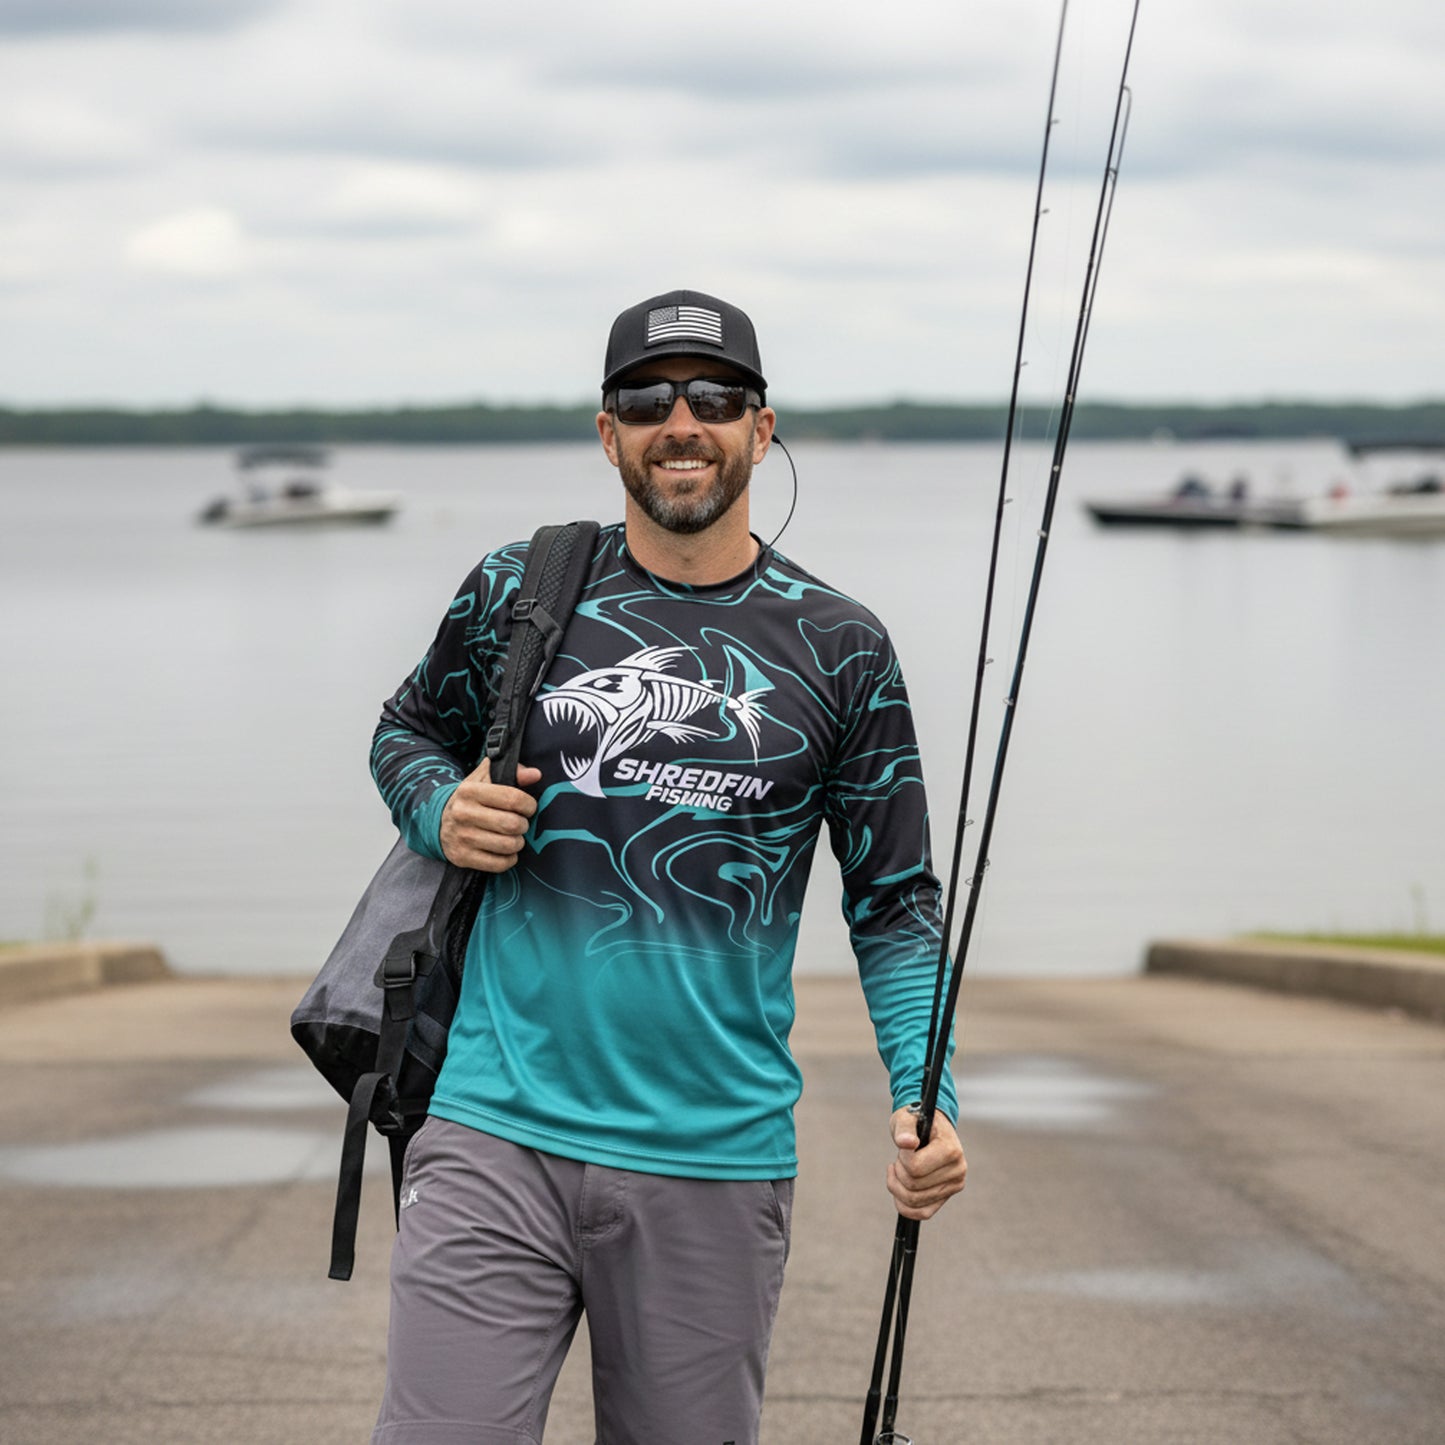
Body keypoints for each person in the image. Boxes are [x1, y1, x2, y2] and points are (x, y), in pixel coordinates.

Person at [368, 288, 967, 1444]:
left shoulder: (843, 647)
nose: (679, 421)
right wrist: (440, 808)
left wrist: (925, 1093)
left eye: (714, 397)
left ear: (761, 425)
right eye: (645, 398)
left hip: (714, 1155)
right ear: (607, 433)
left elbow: (893, 907)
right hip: (495, 1128)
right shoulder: (519, 590)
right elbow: (402, 732)